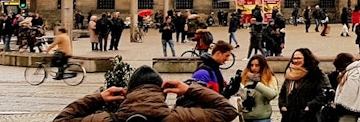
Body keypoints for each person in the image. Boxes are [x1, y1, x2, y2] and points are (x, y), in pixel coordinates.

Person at [52, 66, 237, 122]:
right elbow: (227, 111)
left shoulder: (105, 120)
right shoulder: (180, 118)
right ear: (163, 93)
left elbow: (61, 120)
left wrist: (98, 98)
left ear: (127, 93)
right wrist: (189, 89)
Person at [278, 48, 329, 122]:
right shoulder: (290, 74)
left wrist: (309, 107)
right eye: (294, 58)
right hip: (289, 116)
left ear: (306, 59)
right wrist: (282, 106)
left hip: (309, 117)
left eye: (298, 58)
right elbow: (283, 93)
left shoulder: (317, 74)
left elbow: (324, 92)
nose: (295, 61)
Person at [236, 54, 280, 122]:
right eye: (251, 65)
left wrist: (257, 85)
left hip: (262, 117)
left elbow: (272, 95)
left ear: (262, 66)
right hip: (246, 116)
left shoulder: (269, 78)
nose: (253, 68)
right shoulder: (244, 77)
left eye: (257, 65)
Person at [327, 53, 360, 122]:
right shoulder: (353, 71)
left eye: (339, 68)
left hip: (348, 111)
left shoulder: (354, 75)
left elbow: (349, 96)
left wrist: (337, 105)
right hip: (347, 111)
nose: (338, 71)